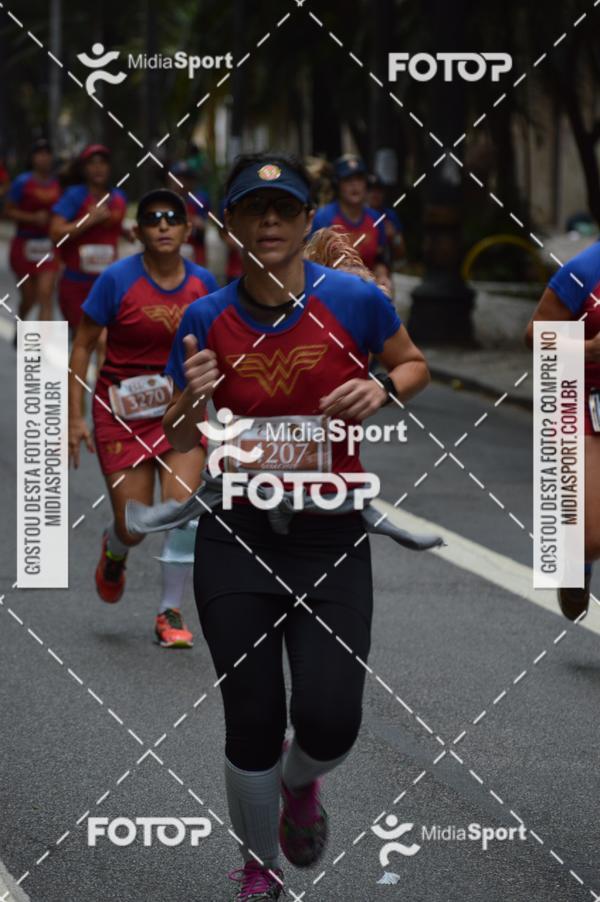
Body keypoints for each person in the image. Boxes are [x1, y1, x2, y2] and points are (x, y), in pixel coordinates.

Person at [161, 152, 430, 899]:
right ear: (231, 225)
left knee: (331, 720)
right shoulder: (204, 317)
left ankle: (299, 783)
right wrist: (190, 395)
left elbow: (414, 366)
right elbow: (181, 439)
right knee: (249, 718)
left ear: (307, 220)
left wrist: (380, 386)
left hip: (330, 537)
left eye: (284, 208)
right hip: (238, 535)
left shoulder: (353, 301)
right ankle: (259, 872)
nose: (270, 222)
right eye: (254, 209)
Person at [68, 189, 219, 648]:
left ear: (187, 230)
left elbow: (226, 350)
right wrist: (75, 418)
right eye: (152, 218)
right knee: (136, 526)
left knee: (182, 511)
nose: (163, 225)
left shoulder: (204, 284)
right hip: (122, 415)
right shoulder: (116, 280)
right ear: (138, 231)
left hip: (180, 412)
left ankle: (168, 612)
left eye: (173, 218)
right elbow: (83, 345)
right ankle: (114, 550)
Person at [525, 241, 600, 620]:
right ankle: (578, 560)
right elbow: (534, 336)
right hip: (585, 397)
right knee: (591, 536)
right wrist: (587, 348)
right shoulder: (584, 270)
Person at [50, 144, 128, 333]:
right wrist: (88, 220)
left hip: (108, 283)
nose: (98, 168)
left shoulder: (119, 198)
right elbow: (55, 233)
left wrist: (130, 232)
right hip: (76, 282)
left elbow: (113, 228)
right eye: (92, 163)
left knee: (104, 341)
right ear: (84, 169)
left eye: (102, 163)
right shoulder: (74, 195)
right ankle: (40, 354)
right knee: (82, 342)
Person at [5, 138, 61, 327]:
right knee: (30, 296)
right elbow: (7, 211)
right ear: (33, 158)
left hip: (48, 245)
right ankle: (20, 323)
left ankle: (41, 351)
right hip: (24, 245)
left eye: (47, 153)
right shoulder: (22, 182)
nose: (44, 158)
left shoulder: (58, 184)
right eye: (39, 153)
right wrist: (32, 218)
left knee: (45, 294)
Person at [311, 154, 388, 275]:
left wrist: (383, 276)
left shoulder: (376, 219)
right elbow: (312, 264)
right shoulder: (323, 218)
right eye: (348, 180)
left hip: (367, 288)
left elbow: (380, 259)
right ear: (337, 185)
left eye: (359, 179)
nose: (355, 185)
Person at [170, 161, 211, 266]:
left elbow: (203, 226)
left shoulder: (200, 199)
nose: (182, 182)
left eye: (187, 179)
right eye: (179, 178)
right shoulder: (166, 199)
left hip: (195, 254)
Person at [367, 172, 406, 264]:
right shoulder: (356, 214)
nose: (375, 194)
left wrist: (394, 237)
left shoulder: (390, 215)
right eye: (370, 190)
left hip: (383, 266)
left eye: (378, 190)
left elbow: (401, 254)